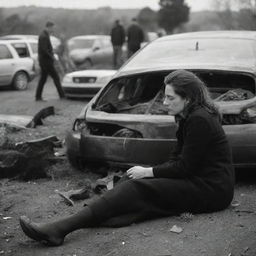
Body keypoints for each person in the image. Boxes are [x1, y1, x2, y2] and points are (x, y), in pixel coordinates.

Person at [19, 69, 235, 246]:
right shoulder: (188, 116)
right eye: (165, 97)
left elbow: (184, 167)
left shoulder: (200, 120)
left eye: (170, 98)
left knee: (137, 186)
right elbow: (177, 158)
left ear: (187, 98)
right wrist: (146, 173)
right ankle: (97, 214)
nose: (165, 102)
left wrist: (149, 172)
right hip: (198, 178)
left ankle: (59, 230)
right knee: (133, 179)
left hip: (212, 189)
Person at [35, 21, 65, 101]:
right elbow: (44, 50)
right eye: (52, 28)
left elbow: (46, 49)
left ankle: (38, 97)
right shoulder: (44, 36)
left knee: (43, 79)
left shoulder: (44, 35)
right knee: (56, 77)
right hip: (46, 61)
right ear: (49, 27)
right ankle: (62, 95)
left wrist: (52, 53)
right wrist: (52, 57)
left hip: (44, 61)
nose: (53, 30)